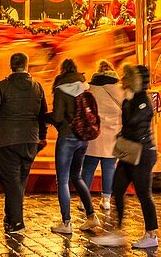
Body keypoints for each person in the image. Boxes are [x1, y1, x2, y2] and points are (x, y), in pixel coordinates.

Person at [91, 64, 159, 250]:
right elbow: (127, 124)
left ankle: (151, 234)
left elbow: (132, 121)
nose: (123, 80)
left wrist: (127, 103)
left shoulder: (143, 101)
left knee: (144, 193)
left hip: (143, 152)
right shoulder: (132, 98)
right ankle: (116, 230)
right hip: (128, 148)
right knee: (117, 188)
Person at [0, 51, 49, 235]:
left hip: (6, 141)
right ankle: (10, 217)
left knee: (12, 181)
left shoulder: (1, 87)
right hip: (29, 139)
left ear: (11, 66)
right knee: (18, 180)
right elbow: (43, 114)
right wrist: (41, 135)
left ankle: (17, 222)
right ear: (26, 66)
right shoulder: (37, 87)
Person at [49, 57, 102, 236]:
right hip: (83, 138)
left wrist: (45, 118)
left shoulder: (61, 89)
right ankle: (91, 214)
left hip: (67, 137)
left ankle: (66, 222)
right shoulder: (85, 87)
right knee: (76, 176)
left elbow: (57, 117)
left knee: (62, 180)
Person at [81, 59, 124, 213]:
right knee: (109, 167)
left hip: (94, 134)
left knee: (88, 167)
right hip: (113, 134)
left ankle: (83, 200)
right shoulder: (121, 90)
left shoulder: (90, 88)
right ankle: (106, 199)